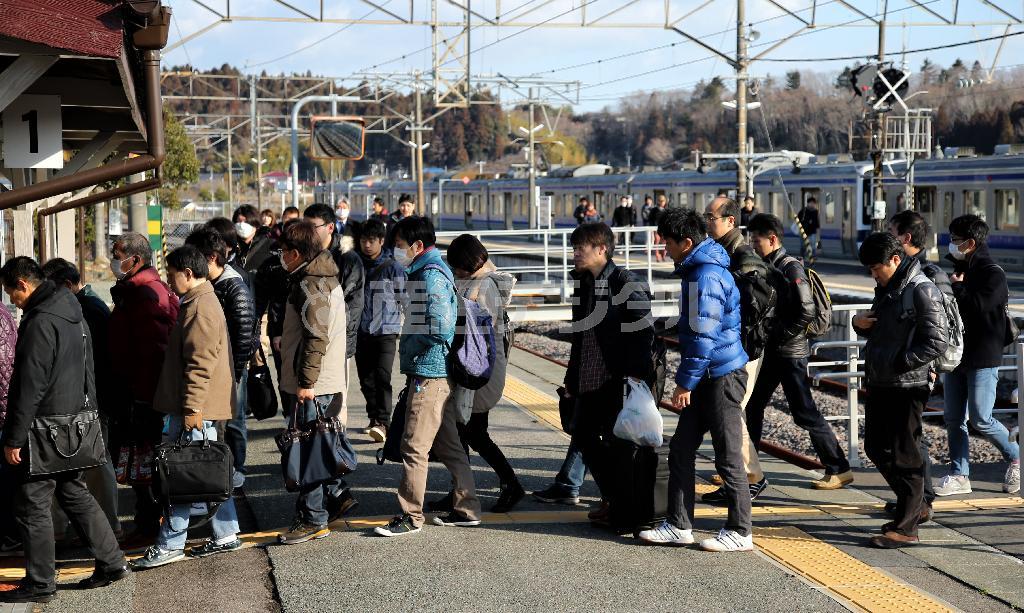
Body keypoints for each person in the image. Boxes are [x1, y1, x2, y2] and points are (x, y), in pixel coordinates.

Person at [1, 257, 127, 602]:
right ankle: (112, 561)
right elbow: (89, 369)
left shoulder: (40, 321)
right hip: (75, 422)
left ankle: (41, 583)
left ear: (23, 285)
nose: (12, 300)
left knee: (32, 502)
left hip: (44, 427)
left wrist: (13, 437)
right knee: (74, 493)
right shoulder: (73, 310)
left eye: (12, 292)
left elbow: (29, 384)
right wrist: (92, 416)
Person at [639, 209, 752, 552]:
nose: (665, 249)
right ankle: (679, 524)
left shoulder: (705, 276)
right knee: (681, 447)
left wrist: (684, 383)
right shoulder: (700, 271)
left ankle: (741, 530)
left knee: (728, 455)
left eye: (668, 243)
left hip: (720, 375)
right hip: (708, 373)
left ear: (686, 243)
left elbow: (705, 335)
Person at [130, 246, 242, 569]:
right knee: (206, 469)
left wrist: (192, 406)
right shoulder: (200, 301)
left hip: (194, 407)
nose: (169, 279)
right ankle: (226, 533)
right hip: (196, 406)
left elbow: (200, 363)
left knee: (182, 472)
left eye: (171, 273)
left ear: (188, 274)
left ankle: (171, 543)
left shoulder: (200, 307)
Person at [374, 216, 481, 537]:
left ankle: (410, 516)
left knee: (414, 447)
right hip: (436, 371)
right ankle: (467, 508)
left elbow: (440, 325)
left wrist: (412, 344)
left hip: (429, 371)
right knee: (449, 446)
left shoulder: (430, 276)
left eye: (399, 245)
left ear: (418, 246)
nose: (396, 251)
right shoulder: (426, 271)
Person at [853, 233, 948, 549]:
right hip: (883, 380)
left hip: (908, 384)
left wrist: (901, 361)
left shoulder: (922, 290)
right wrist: (858, 323)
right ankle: (915, 505)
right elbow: (879, 326)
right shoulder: (888, 288)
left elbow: (937, 340)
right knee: (875, 447)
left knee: (906, 455)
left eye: (876, 267)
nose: (873, 274)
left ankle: (907, 527)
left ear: (895, 259)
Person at [745, 214, 853, 489]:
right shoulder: (772, 264)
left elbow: (806, 309)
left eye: (757, 240)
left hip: (789, 353)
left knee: (804, 411)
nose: (753, 245)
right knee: (754, 406)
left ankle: (838, 468)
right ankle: (747, 465)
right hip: (776, 351)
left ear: (772, 239)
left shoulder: (790, 268)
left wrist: (779, 333)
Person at [561, 222, 654, 531]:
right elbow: (580, 336)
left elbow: (644, 331)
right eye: (574, 248)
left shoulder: (624, 281)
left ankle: (623, 511)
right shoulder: (584, 283)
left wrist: (635, 377)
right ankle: (614, 500)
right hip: (588, 376)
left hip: (616, 378)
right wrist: (571, 381)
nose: (574, 253)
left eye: (580, 248)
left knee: (619, 447)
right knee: (585, 436)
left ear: (601, 249)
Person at [276, 221, 356, 544]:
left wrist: (306, 383)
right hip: (317, 381)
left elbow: (315, 338)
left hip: (315, 384)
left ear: (296, 254)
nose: (281, 257)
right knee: (314, 448)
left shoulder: (312, 285)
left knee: (307, 449)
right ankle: (318, 510)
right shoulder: (317, 277)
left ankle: (313, 519)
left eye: (283, 252)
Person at [436, 234, 523, 513]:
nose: (455, 271)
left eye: (457, 266)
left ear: (468, 263)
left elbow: (473, 329)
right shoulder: (479, 280)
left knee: (473, 433)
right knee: (467, 433)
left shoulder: (483, 286)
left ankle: (509, 485)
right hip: (476, 365)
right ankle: (462, 490)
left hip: (480, 369)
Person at [938, 214, 1019, 496]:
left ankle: (1016, 456)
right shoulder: (961, 268)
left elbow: (979, 305)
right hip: (956, 353)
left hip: (984, 354)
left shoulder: (992, 273)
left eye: (955, 240)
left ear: (971, 243)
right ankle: (960, 474)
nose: (951, 244)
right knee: (952, 417)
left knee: (981, 418)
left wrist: (957, 287)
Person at [40, 259, 120, 538]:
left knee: (97, 463)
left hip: (93, 400)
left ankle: (108, 526)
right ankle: (103, 526)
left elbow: (90, 361)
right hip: (92, 399)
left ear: (66, 285)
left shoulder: (87, 309)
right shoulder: (87, 305)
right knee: (92, 463)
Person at [108, 232, 179, 543]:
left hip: (144, 395)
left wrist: (142, 396)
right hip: (139, 391)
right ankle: (149, 522)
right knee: (142, 463)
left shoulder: (146, 294)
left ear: (134, 260)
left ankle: (152, 525)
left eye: (117, 254)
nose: (113, 260)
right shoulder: (138, 290)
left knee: (146, 464)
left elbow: (154, 350)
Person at [699, 197, 770, 504]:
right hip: (732, 347)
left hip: (744, 349)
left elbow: (756, 307)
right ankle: (735, 478)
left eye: (710, 217)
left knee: (732, 413)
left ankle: (752, 477)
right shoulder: (723, 253)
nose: (706, 222)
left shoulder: (743, 256)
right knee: (726, 413)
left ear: (729, 221)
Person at [888, 209, 952, 510]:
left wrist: (923, 363)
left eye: (892, 232)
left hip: (918, 368)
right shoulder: (904, 271)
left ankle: (922, 498)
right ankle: (914, 497)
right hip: (907, 366)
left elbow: (940, 330)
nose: (889, 237)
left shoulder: (928, 275)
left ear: (906, 238)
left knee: (913, 437)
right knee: (906, 436)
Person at [185, 228, 256, 488]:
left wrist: (233, 375)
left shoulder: (233, 286)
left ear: (212, 257)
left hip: (230, 369)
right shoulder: (210, 284)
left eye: (195, 256)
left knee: (233, 422)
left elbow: (244, 336)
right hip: (217, 369)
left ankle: (236, 471)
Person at [305, 203, 365, 421]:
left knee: (335, 404)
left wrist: (341, 342)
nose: (308, 232)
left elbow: (352, 306)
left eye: (313, 226)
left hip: (336, 341)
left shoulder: (348, 258)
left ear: (330, 227)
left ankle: (338, 450)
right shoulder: (305, 254)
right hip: (311, 339)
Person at [356, 218, 406, 442]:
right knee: (366, 378)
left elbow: (406, 298)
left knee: (383, 376)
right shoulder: (355, 264)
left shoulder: (393, 267)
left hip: (386, 330)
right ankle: (373, 418)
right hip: (361, 330)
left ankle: (384, 422)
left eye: (371, 240)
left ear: (381, 241)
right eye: (363, 240)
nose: (367, 245)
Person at [0, 297, 17, 555]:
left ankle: (10, 536)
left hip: (2, 411)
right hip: (5, 409)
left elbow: (4, 369)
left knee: (5, 481)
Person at [648, 194, 669, 262]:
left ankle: (663, 255)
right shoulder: (654, 210)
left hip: (664, 228)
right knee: (656, 240)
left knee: (664, 242)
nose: (662, 202)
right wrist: (652, 227)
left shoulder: (666, 210)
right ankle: (657, 256)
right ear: (658, 202)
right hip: (656, 228)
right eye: (660, 201)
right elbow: (650, 219)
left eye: (663, 201)